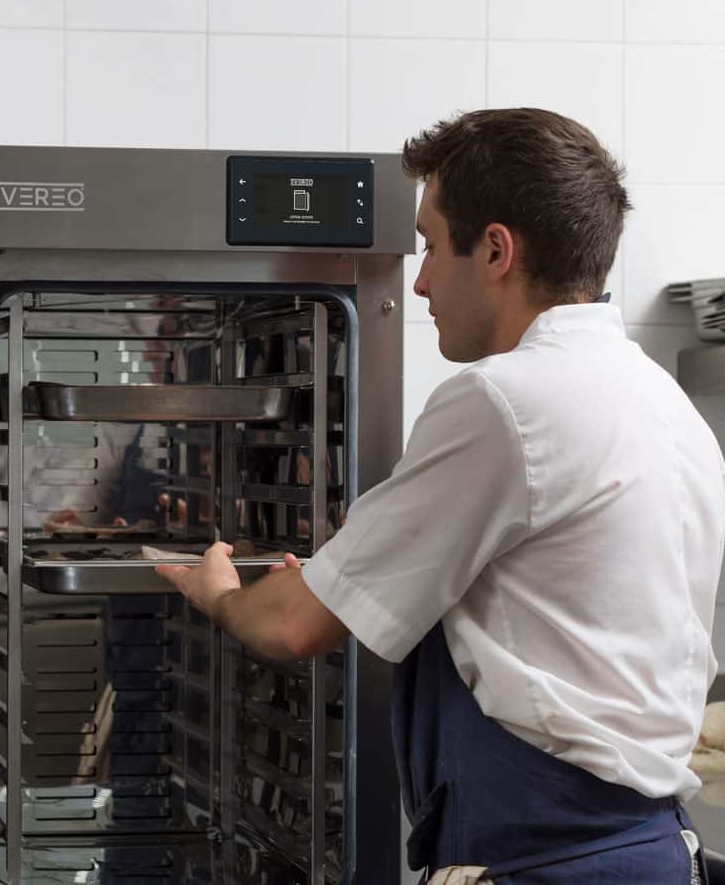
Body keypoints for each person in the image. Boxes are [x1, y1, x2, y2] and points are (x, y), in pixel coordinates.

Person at [156, 108, 725, 885]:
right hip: (647, 851)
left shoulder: (504, 400)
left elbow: (291, 626)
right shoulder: (665, 405)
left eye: (429, 244)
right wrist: (339, 580)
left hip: (545, 860)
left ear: (496, 249)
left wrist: (219, 593)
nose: (419, 279)